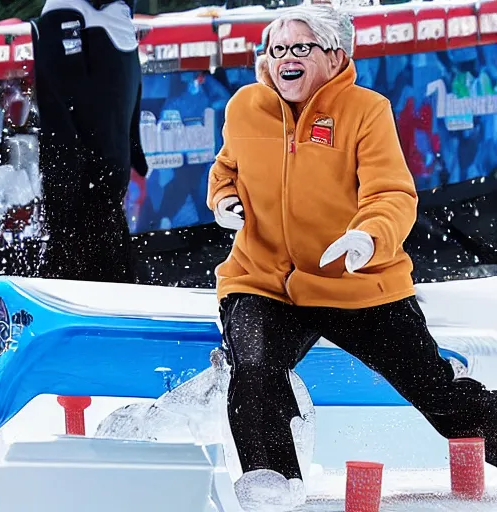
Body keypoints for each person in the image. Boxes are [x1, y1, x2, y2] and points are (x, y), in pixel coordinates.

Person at [207, 5, 497, 511]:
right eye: (277, 50)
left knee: (438, 393)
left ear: (335, 55)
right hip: (263, 280)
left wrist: (368, 237)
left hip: (356, 280)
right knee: (254, 367)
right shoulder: (243, 106)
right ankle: (270, 485)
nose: (285, 60)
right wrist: (224, 201)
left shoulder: (367, 109)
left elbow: (392, 194)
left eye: (301, 48)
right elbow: (225, 169)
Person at [30, 0, 147, 282]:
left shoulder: (108, 17)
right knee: (93, 215)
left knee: (95, 214)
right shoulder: (69, 14)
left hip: (97, 178)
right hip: (89, 178)